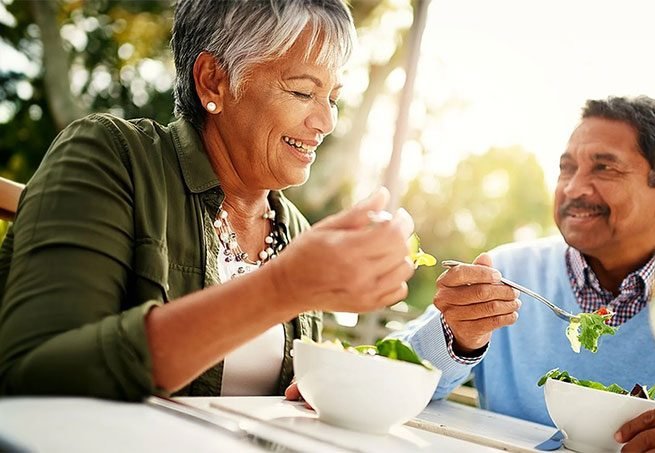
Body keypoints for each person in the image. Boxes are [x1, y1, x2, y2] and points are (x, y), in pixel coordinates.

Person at [0, 0, 416, 401]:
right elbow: (38, 371)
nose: (325, 122)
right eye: (303, 92)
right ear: (212, 81)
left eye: (333, 98)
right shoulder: (111, 157)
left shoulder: (295, 231)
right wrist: (282, 287)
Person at [392, 96, 655, 452]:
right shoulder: (505, 273)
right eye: (567, 168)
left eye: (604, 168)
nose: (573, 188)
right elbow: (389, 375)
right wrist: (457, 338)